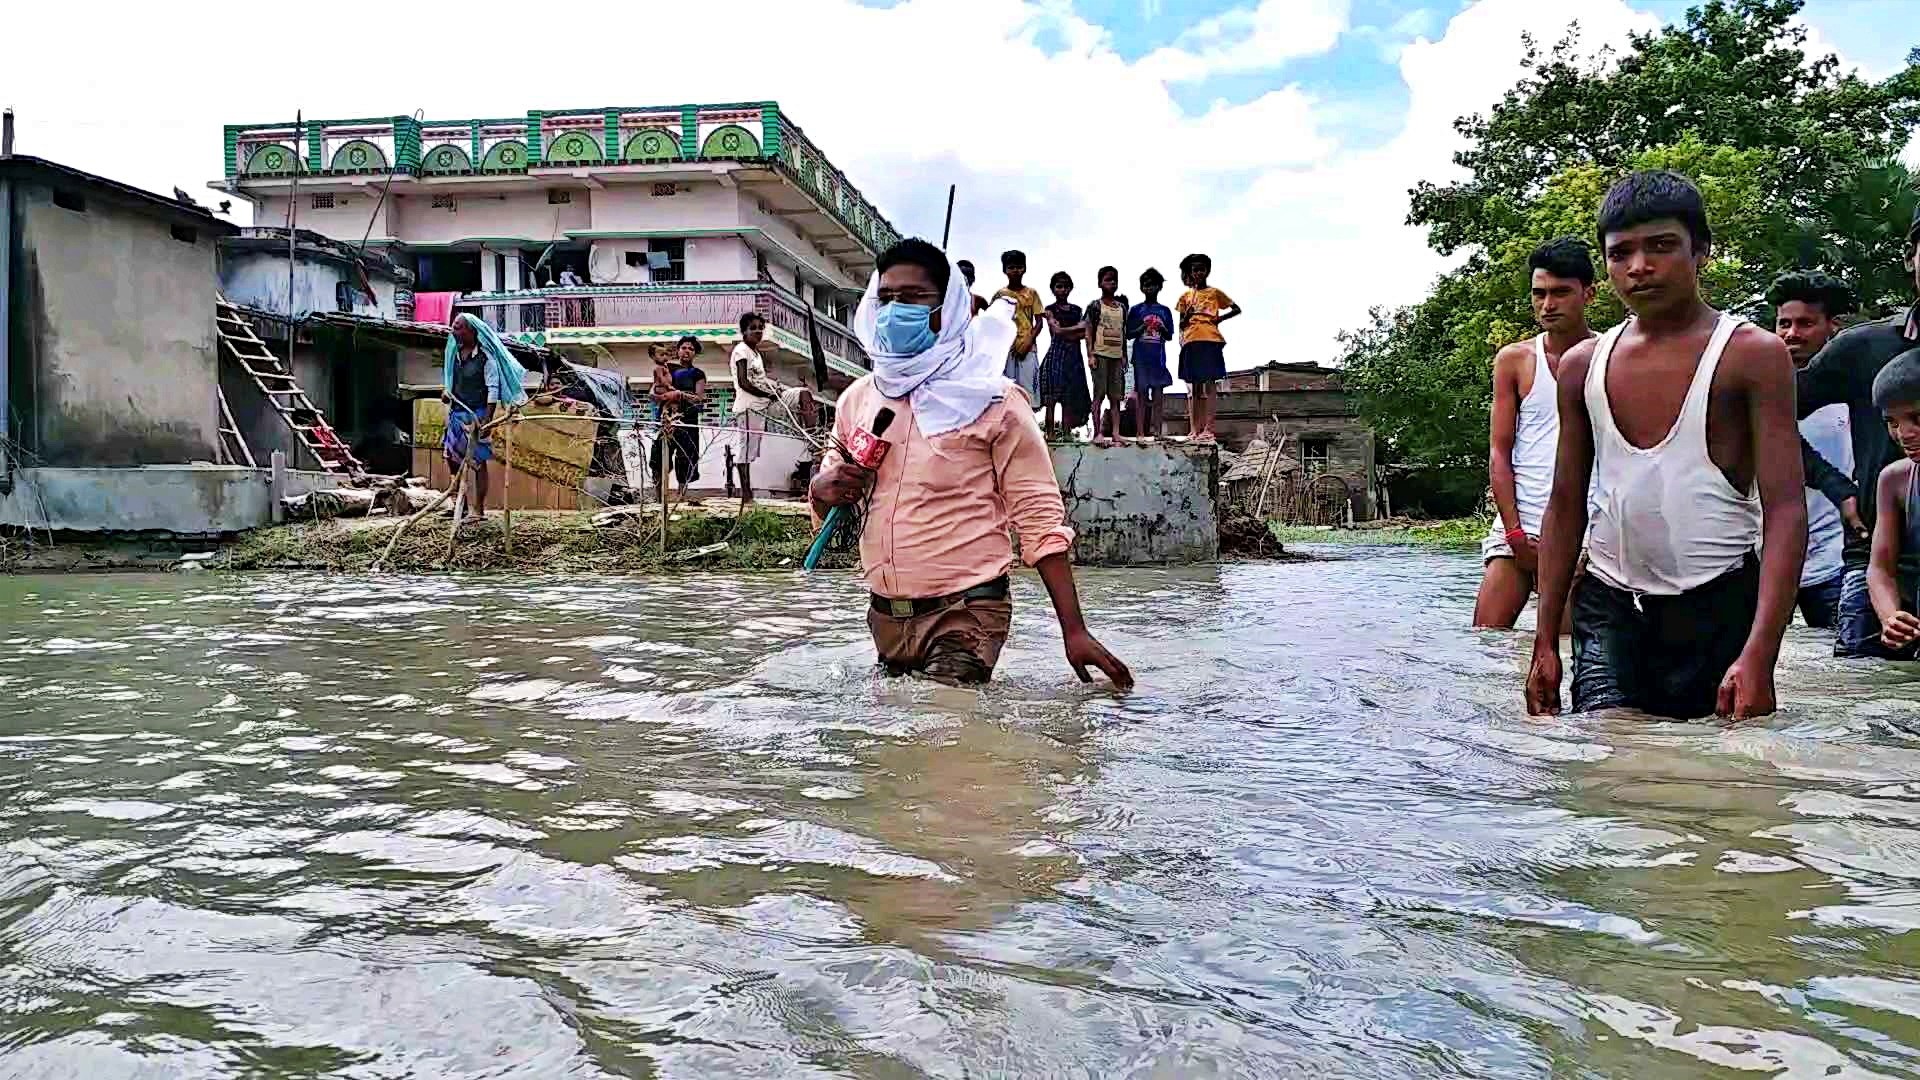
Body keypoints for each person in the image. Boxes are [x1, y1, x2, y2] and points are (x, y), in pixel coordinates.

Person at [1527, 170, 1806, 720]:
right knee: (1609, 756)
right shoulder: (1584, 365)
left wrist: (1761, 653)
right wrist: (1543, 642)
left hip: (1719, 603)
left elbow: (1786, 509)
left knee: (1715, 780)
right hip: (1610, 603)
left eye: (1660, 246)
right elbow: (1564, 505)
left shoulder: (1752, 354)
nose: (1638, 267)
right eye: (1620, 253)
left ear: (1700, 251)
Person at [810, 237, 1131, 688]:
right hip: (885, 615)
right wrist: (820, 490)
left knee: (947, 731)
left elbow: (1038, 518)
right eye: (886, 298)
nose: (895, 310)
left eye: (913, 298)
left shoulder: (993, 400)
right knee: (896, 746)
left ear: (948, 308)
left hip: (967, 611)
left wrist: (1074, 631)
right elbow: (830, 510)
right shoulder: (856, 401)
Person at [1797, 205, 1920, 658]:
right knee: (1858, 698)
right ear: (1911, 256)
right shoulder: (1862, 350)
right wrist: (1835, 485)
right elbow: (1765, 415)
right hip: (1875, 563)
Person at [1473, 237, 1598, 629]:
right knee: (1484, 644)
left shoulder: (1611, 356)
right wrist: (1513, 534)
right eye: (1539, 293)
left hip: (1584, 534)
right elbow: (1499, 452)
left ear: (1588, 294)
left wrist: (1590, 544)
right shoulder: (1515, 360)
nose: (1548, 305)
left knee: (1566, 653)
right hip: (1518, 526)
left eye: (1561, 293)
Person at [1770, 272, 1864, 629]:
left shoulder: (1855, 395)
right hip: (1766, 561)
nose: (1792, 333)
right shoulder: (1755, 392)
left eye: (1806, 323)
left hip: (1837, 562)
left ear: (1833, 327)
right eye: (1784, 323)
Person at [440, 313, 529, 525]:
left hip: (476, 416)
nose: (454, 331)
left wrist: (487, 420)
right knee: (451, 458)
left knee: (478, 463)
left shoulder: (485, 358)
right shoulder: (454, 354)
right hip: (456, 414)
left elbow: (493, 390)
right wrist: (446, 392)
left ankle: (478, 510)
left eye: (459, 328)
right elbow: (450, 381)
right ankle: (458, 506)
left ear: (472, 331)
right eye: (454, 327)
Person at [1860, 349, 1920, 659]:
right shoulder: (1895, 481)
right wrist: (1890, 616)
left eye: (1916, 418)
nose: (1904, 434)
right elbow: (1880, 569)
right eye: (1892, 422)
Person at [1176, 253, 1240, 444]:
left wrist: (1219, 319)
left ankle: (1209, 428)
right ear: (1191, 273)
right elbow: (1180, 324)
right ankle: (1194, 429)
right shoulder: (1185, 297)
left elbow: (1236, 309)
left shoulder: (1214, 293)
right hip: (1191, 340)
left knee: (1210, 385)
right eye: (1195, 270)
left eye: (1202, 269)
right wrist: (1186, 317)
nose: (1198, 273)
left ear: (1207, 271)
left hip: (1210, 339)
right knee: (1194, 387)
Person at [730, 312, 784, 507]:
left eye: (760, 328)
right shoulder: (741, 351)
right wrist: (766, 394)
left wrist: (772, 389)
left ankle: (748, 494)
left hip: (759, 407)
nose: (758, 331)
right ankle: (746, 495)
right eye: (753, 328)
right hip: (748, 407)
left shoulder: (756, 354)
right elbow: (744, 382)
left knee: (751, 450)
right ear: (744, 330)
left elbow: (758, 380)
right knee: (745, 451)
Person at [651, 336, 707, 504]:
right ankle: (659, 498)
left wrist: (679, 394)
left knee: (685, 458)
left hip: (687, 422)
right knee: (659, 458)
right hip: (667, 421)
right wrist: (661, 397)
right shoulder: (667, 369)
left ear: (695, 353)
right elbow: (653, 393)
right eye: (684, 347)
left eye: (691, 349)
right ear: (678, 350)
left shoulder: (698, 374)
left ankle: (681, 497)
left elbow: (699, 399)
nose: (686, 351)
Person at [1039, 272, 1092, 441]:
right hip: (1056, 355)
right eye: (1058, 286)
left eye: (1065, 286)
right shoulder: (1049, 310)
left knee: (1069, 398)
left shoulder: (1077, 310)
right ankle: (1050, 433)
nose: (1062, 290)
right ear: (1053, 289)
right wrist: (1073, 330)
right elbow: (1056, 331)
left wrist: (1065, 331)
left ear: (1070, 288)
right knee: (1052, 398)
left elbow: (1085, 332)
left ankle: (1068, 433)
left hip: (1074, 357)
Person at [1084, 267, 1130, 447]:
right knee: (1099, 394)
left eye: (1114, 280)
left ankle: (1116, 433)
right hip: (1100, 354)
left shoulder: (1122, 308)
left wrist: (1124, 355)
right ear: (1100, 283)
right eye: (1108, 280)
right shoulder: (1095, 306)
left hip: (1116, 357)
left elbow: (1123, 332)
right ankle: (1097, 432)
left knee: (1115, 397)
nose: (1112, 283)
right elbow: (1088, 330)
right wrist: (1090, 354)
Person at [1127, 268, 1175, 441]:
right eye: (1146, 285)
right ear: (1141, 287)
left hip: (1158, 358)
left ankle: (1158, 431)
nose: (1150, 288)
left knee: (1158, 395)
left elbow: (1169, 335)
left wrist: (1161, 327)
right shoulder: (1136, 310)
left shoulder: (1165, 311)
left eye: (1154, 285)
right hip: (1140, 357)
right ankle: (1140, 432)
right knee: (1141, 394)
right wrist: (1142, 327)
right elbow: (1128, 334)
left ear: (1159, 287)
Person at [994, 251, 1045, 400]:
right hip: (1007, 350)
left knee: (1028, 394)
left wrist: (1029, 341)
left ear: (1025, 268)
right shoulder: (1000, 294)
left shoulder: (1032, 293)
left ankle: (1028, 422)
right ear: (1005, 270)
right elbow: (994, 322)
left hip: (1028, 348)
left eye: (1019, 267)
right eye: (1011, 267)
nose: (1015, 270)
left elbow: (1039, 323)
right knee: (1008, 392)